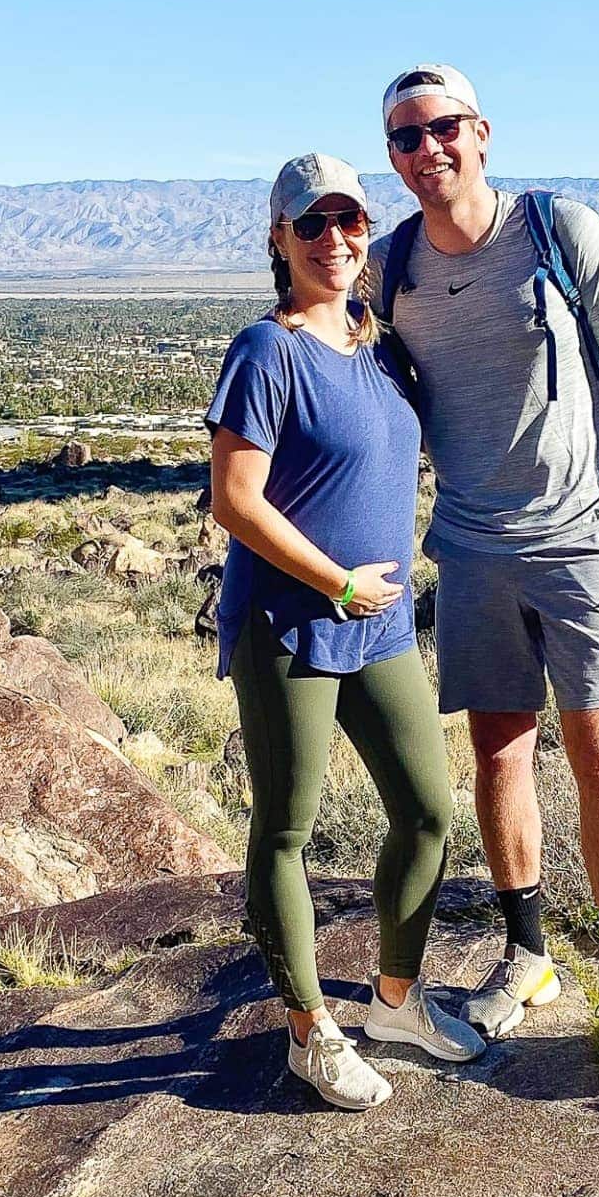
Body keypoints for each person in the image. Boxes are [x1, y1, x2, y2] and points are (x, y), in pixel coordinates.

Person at [369, 67, 599, 1085]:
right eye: (406, 138)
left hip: (586, 538)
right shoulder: (390, 267)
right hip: (469, 546)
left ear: (483, 133)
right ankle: (530, 956)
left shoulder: (557, 227)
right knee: (500, 759)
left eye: (443, 128)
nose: (428, 151)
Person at [206, 150, 487, 1111]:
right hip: (291, 621)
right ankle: (309, 1031)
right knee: (286, 828)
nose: (335, 239)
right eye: (312, 223)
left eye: (350, 221)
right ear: (279, 240)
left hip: (382, 625)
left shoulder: (382, 347)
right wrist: (334, 581)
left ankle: (395, 1002)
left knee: (427, 810)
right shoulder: (266, 352)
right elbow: (234, 501)